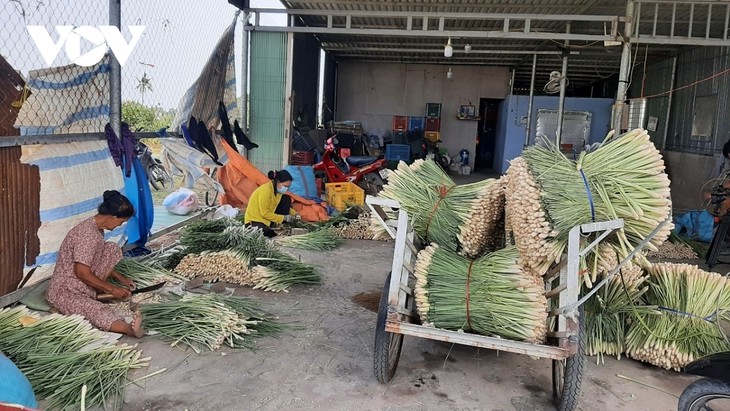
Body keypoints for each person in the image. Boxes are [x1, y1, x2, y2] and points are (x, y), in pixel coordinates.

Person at [46, 190, 143, 338]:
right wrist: (112, 289)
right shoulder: (87, 235)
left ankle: (93, 293)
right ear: (113, 217)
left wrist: (121, 279)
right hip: (65, 290)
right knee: (94, 309)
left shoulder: (96, 228)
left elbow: (96, 259)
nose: (119, 225)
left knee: (111, 248)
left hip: (80, 283)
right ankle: (128, 329)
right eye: (121, 222)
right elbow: (81, 273)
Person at [244, 170, 300, 237]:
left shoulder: (278, 192)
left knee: (286, 198)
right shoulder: (266, 190)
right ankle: (279, 224)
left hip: (268, 219)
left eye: (288, 187)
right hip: (255, 221)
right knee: (268, 233)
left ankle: (283, 224)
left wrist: (295, 214)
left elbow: (281, 206)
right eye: (285, 186)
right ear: (278, 182)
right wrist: (284, 218)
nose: (286, 189)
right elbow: (264, 213)